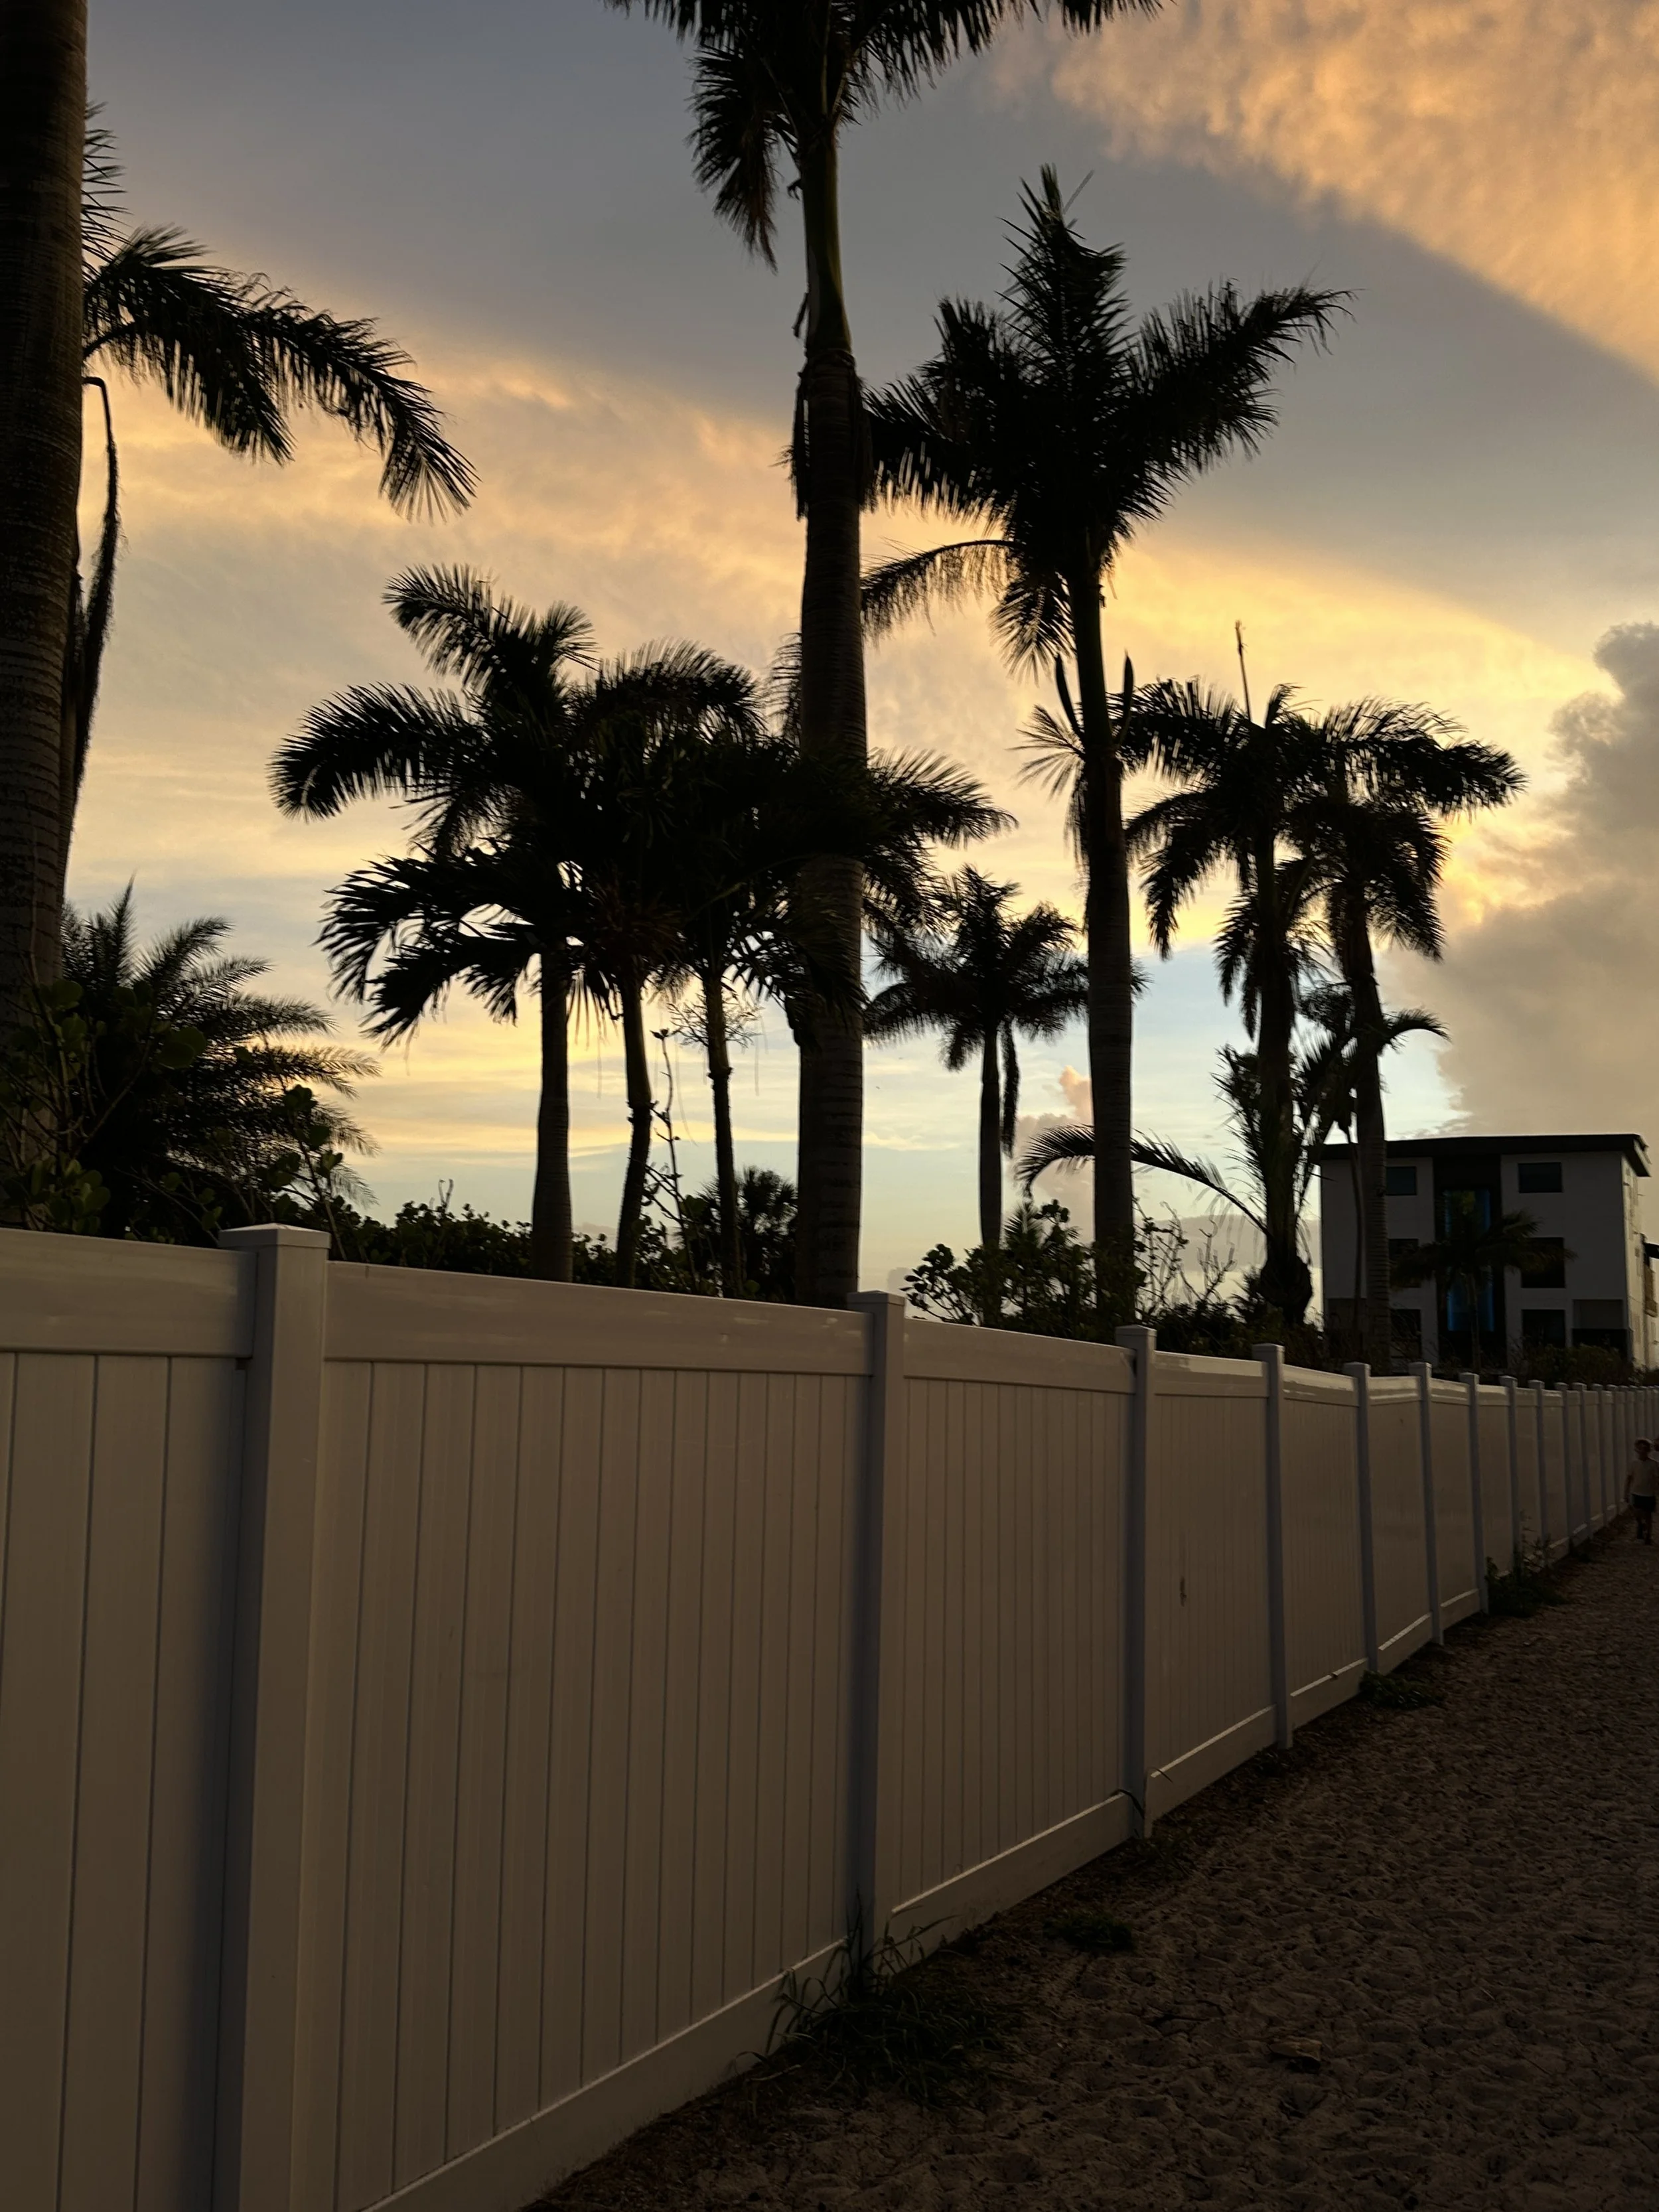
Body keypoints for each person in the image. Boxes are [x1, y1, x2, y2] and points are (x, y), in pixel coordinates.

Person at [1626, 1437, 1657, 1546]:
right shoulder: (1634, 1464)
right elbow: (1629, 1478)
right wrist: (1626, 1493)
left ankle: (1648, 1536)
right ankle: (1640, 1525)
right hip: (1637, 1493)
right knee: (1637, 1513)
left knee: (1648, 1515)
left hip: (1649, 1494)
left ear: (1648, 1450)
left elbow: (1657, 1478)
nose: (1642, 1451)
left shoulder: (1654, 1464)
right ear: (1637, 1450)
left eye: (1645, 1448)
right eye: (1640, 1448)